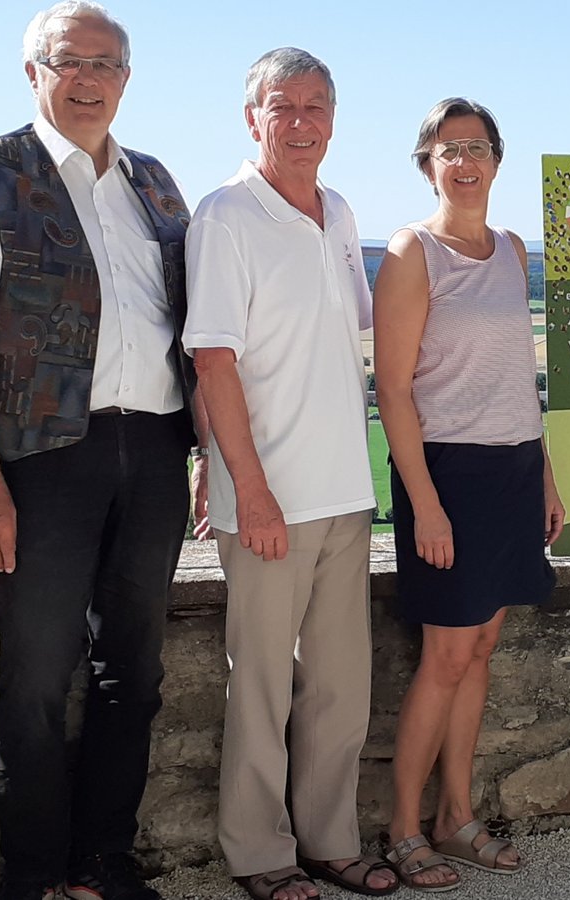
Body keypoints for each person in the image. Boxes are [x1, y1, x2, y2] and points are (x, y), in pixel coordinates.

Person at [0, 4, 194, 897]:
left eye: (107, 64)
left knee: (135, 671)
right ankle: (34, 874)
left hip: (152, 447)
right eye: (69, 61)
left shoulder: (154, 183)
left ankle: (100, 864)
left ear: (126, 78)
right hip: (41, 461)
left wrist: (198, 457)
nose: (89, 79)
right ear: (32, 72)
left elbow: (186, 331)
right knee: (36, 677)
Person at [183, 48, 396, 900]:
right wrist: (248, 487)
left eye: (316, 107)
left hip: (347, 490)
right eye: (284, 107)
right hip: (268, 500)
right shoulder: (225, 216)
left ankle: (330, 840)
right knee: (263, 690)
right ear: (252, 118)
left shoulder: (338, 212)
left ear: (334, 120)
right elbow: (213, 360)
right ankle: (259, 853)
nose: (301, 123)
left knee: (342, 689)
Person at [374, 96, 560, 891]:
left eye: (478, 146)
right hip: (448, 473)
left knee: (480, 649)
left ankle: (456, 817)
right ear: (428, 163)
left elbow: (519, 377)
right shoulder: (413, 252)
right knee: (445, 656)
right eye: (449, 148)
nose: (465, 160)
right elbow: (392, 390)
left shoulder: (514, 249)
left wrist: (545, 473)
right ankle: (404, 831)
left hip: (514, 469)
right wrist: (427, 503)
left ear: (497, 159)